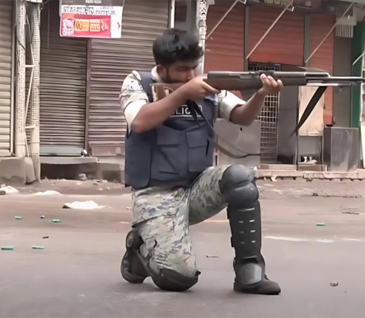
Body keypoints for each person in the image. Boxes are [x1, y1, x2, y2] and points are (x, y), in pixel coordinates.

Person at [118, 28, 283, 295]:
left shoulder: (205, 85)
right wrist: (182, 94)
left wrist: (262, 94)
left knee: (240, 177)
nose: (191, 76)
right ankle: (139, 248)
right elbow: (139, 121)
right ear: (163, 67)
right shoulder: (139, 82)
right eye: (183, 70)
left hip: (196, 188)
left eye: (194, 68)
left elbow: (241, 117)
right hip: (155, 195)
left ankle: (249, 271)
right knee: (178, 277)